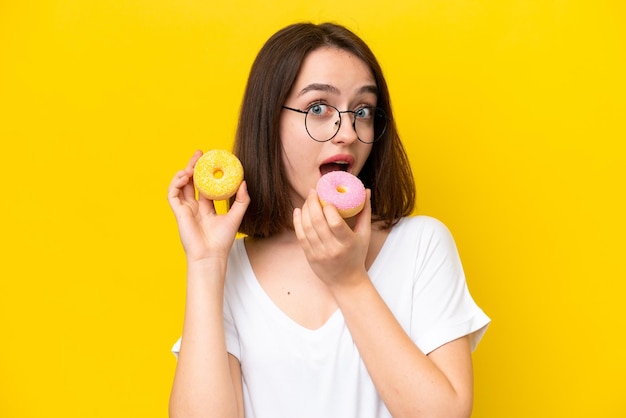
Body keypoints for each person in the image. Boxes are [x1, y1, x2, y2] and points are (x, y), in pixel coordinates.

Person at [167, 22, 490, 418]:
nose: (349, 133)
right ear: (269, 122)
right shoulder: (231, 268)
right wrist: (205, 265)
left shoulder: (421, 245)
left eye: (363, 111)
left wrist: (350, 280)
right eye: (318, 108)